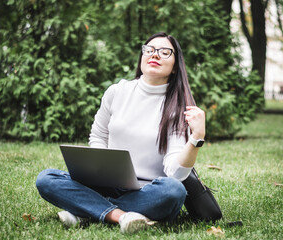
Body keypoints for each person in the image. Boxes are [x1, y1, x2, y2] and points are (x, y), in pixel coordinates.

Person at [36, 32, 206, 234]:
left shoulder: (178, 108)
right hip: (106, 183)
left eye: (165, 52)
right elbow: (98, 137)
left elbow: (176, 174)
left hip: (148, 191)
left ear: (176, 66)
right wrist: (98, 168)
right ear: (142, 57)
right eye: (149, 50)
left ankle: (87, 211)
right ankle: (122, 216)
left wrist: (196, 138)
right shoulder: (117, 92)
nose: (155, 55)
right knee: (46, 179)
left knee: (174, 191)